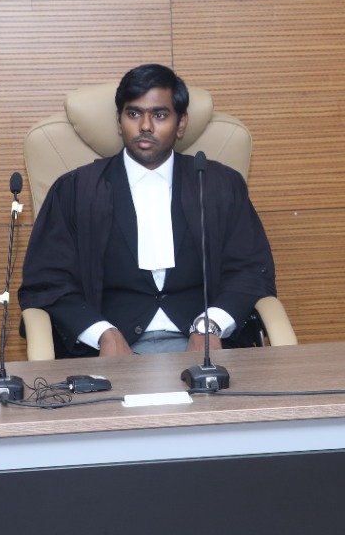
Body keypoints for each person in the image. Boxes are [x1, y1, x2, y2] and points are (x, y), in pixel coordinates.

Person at [18, 64, 277, 357]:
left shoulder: (219, 184)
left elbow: (250, 271)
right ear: (119, 122)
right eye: (133, 114)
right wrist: (102, 334)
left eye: (160, 115)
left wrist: (210, 326)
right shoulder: (75, 189)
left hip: (203, 345)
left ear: (181, 124)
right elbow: (48, 282)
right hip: (106, 349)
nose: (145, 126)